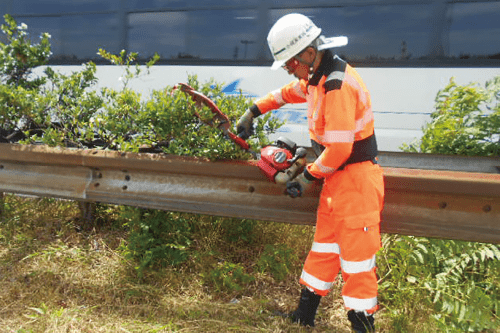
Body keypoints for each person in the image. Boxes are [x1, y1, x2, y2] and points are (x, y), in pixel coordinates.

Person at [236, 13, 385, 333]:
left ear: (307, 53)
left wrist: (307, 177)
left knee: (358, 263)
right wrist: (253, 110)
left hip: (356, 181)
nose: (290, 69)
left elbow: (341, 149)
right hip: (337, 179)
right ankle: (304, 316)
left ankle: (362, 326)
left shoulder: (337, 85)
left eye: (290, 62)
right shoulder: (315, 78)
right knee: (325, 248)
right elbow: (287, 92)